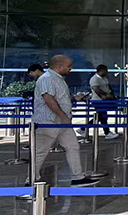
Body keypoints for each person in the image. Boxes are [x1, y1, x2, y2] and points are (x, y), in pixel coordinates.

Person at [29, 55, 99, 187]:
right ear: (59, 66)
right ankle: (31, 180)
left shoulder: (57, 79)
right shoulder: (47, 78)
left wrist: (74, 98)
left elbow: (58, 98)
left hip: (61, 122)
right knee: (40, 152)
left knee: (73, 146)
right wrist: (64, 117)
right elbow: (49, 99)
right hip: (48, 122)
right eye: (69, 66)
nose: (70, 69)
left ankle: (77, 177)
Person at [88, 64, 119, 140]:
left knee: (101, 116)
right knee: (103, 116)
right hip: (98, 101)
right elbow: (96, 89)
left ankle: (84, 128)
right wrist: (105, 95)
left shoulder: (104, 78)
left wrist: (112, 96)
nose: (107, 72)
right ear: (101, 70)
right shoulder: (94, 79)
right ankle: (107, 132)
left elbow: (108, 87)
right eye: (106, 70)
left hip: (104, 101)